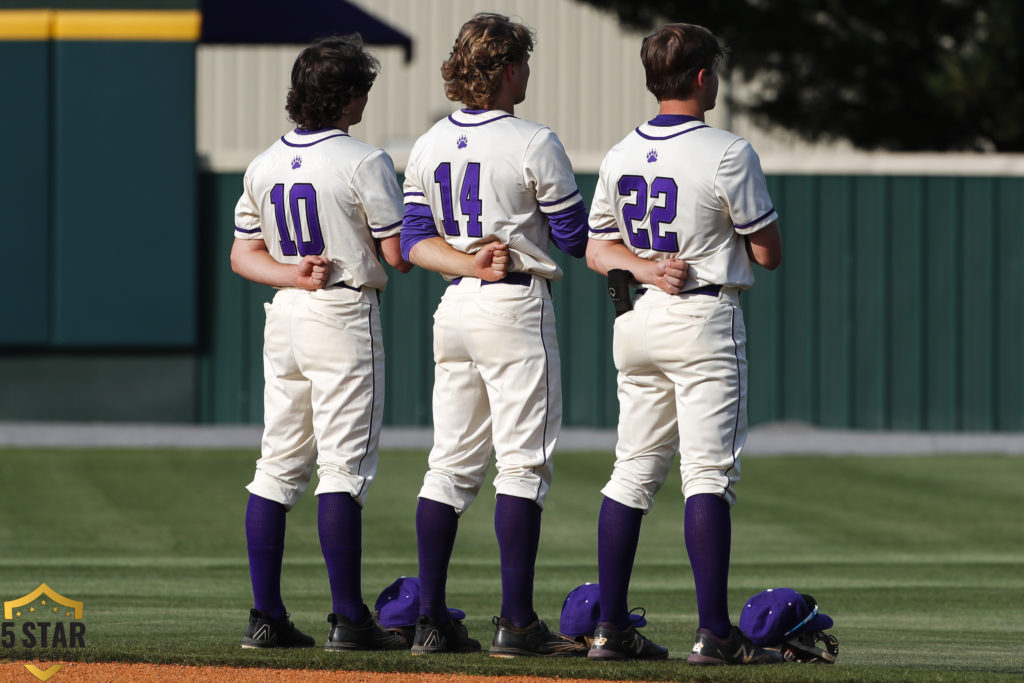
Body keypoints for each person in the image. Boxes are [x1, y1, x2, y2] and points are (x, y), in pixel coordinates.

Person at [584, 23, 784, 666]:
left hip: (637, 319)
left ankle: (608, 629)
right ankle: (714, 633)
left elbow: (596, 248)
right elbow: (768, 253)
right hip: (701, 316)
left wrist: (644, 268)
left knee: (632, 471)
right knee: (707, 475)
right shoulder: (728, 151)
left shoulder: (618, 154)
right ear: (702, 78)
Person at [399, 12, 589, 658]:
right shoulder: (534, 142)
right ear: (506, 68)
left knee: (448, 466)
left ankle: (430, 618)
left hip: (455, 307)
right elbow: (573, 238)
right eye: (524, 63)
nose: (528, 72)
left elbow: (413, 243)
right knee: (523, 465)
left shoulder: (428, 144)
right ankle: (516, 622)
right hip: (513, 308)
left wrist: (468, 261)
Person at [230, 34, 411, 651]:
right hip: (342, 312)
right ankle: (348, 619)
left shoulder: (264, 163)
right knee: (343, 468)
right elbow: (395, 253)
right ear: (347, 94)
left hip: (285, 314)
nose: (365, 99)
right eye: (361, 88)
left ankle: (265, 615)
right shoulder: (364, 160)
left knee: (277, 467)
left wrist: (290, 272)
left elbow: (242, 254)